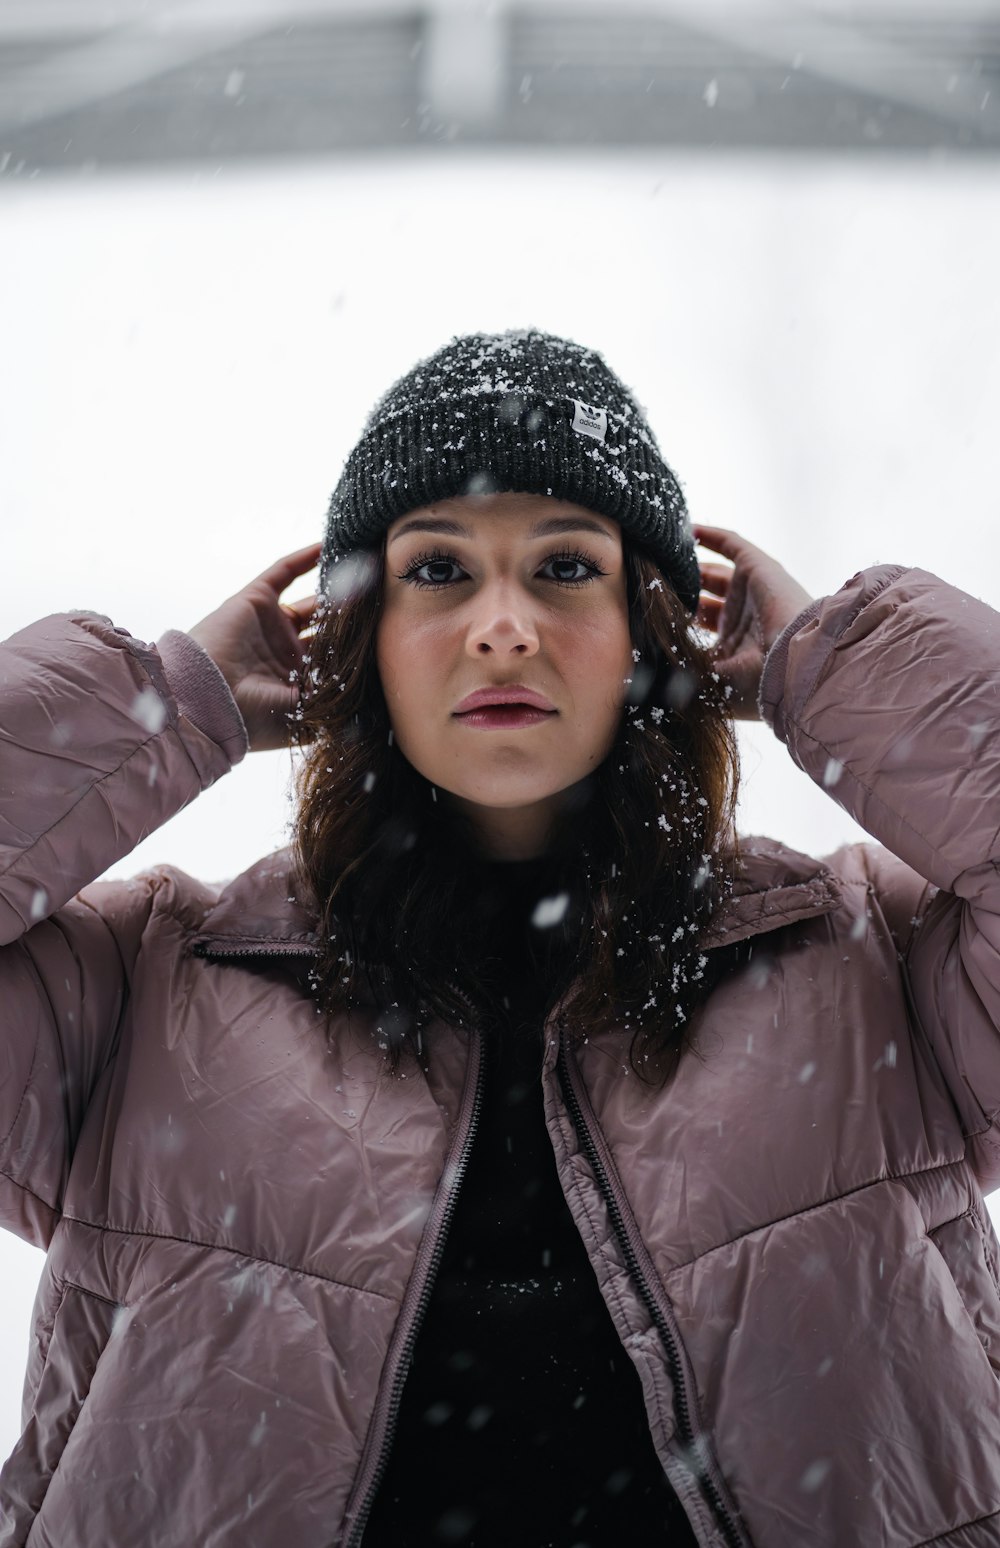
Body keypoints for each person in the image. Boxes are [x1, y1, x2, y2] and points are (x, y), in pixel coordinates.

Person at [1, 328, 999, 1548]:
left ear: (652, 628)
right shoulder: (141, 986)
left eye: (567, 567)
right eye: (436, 572)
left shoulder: (872, 961)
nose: (503, 627)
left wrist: (842, 667)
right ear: (352, 636)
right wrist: (160, 702)